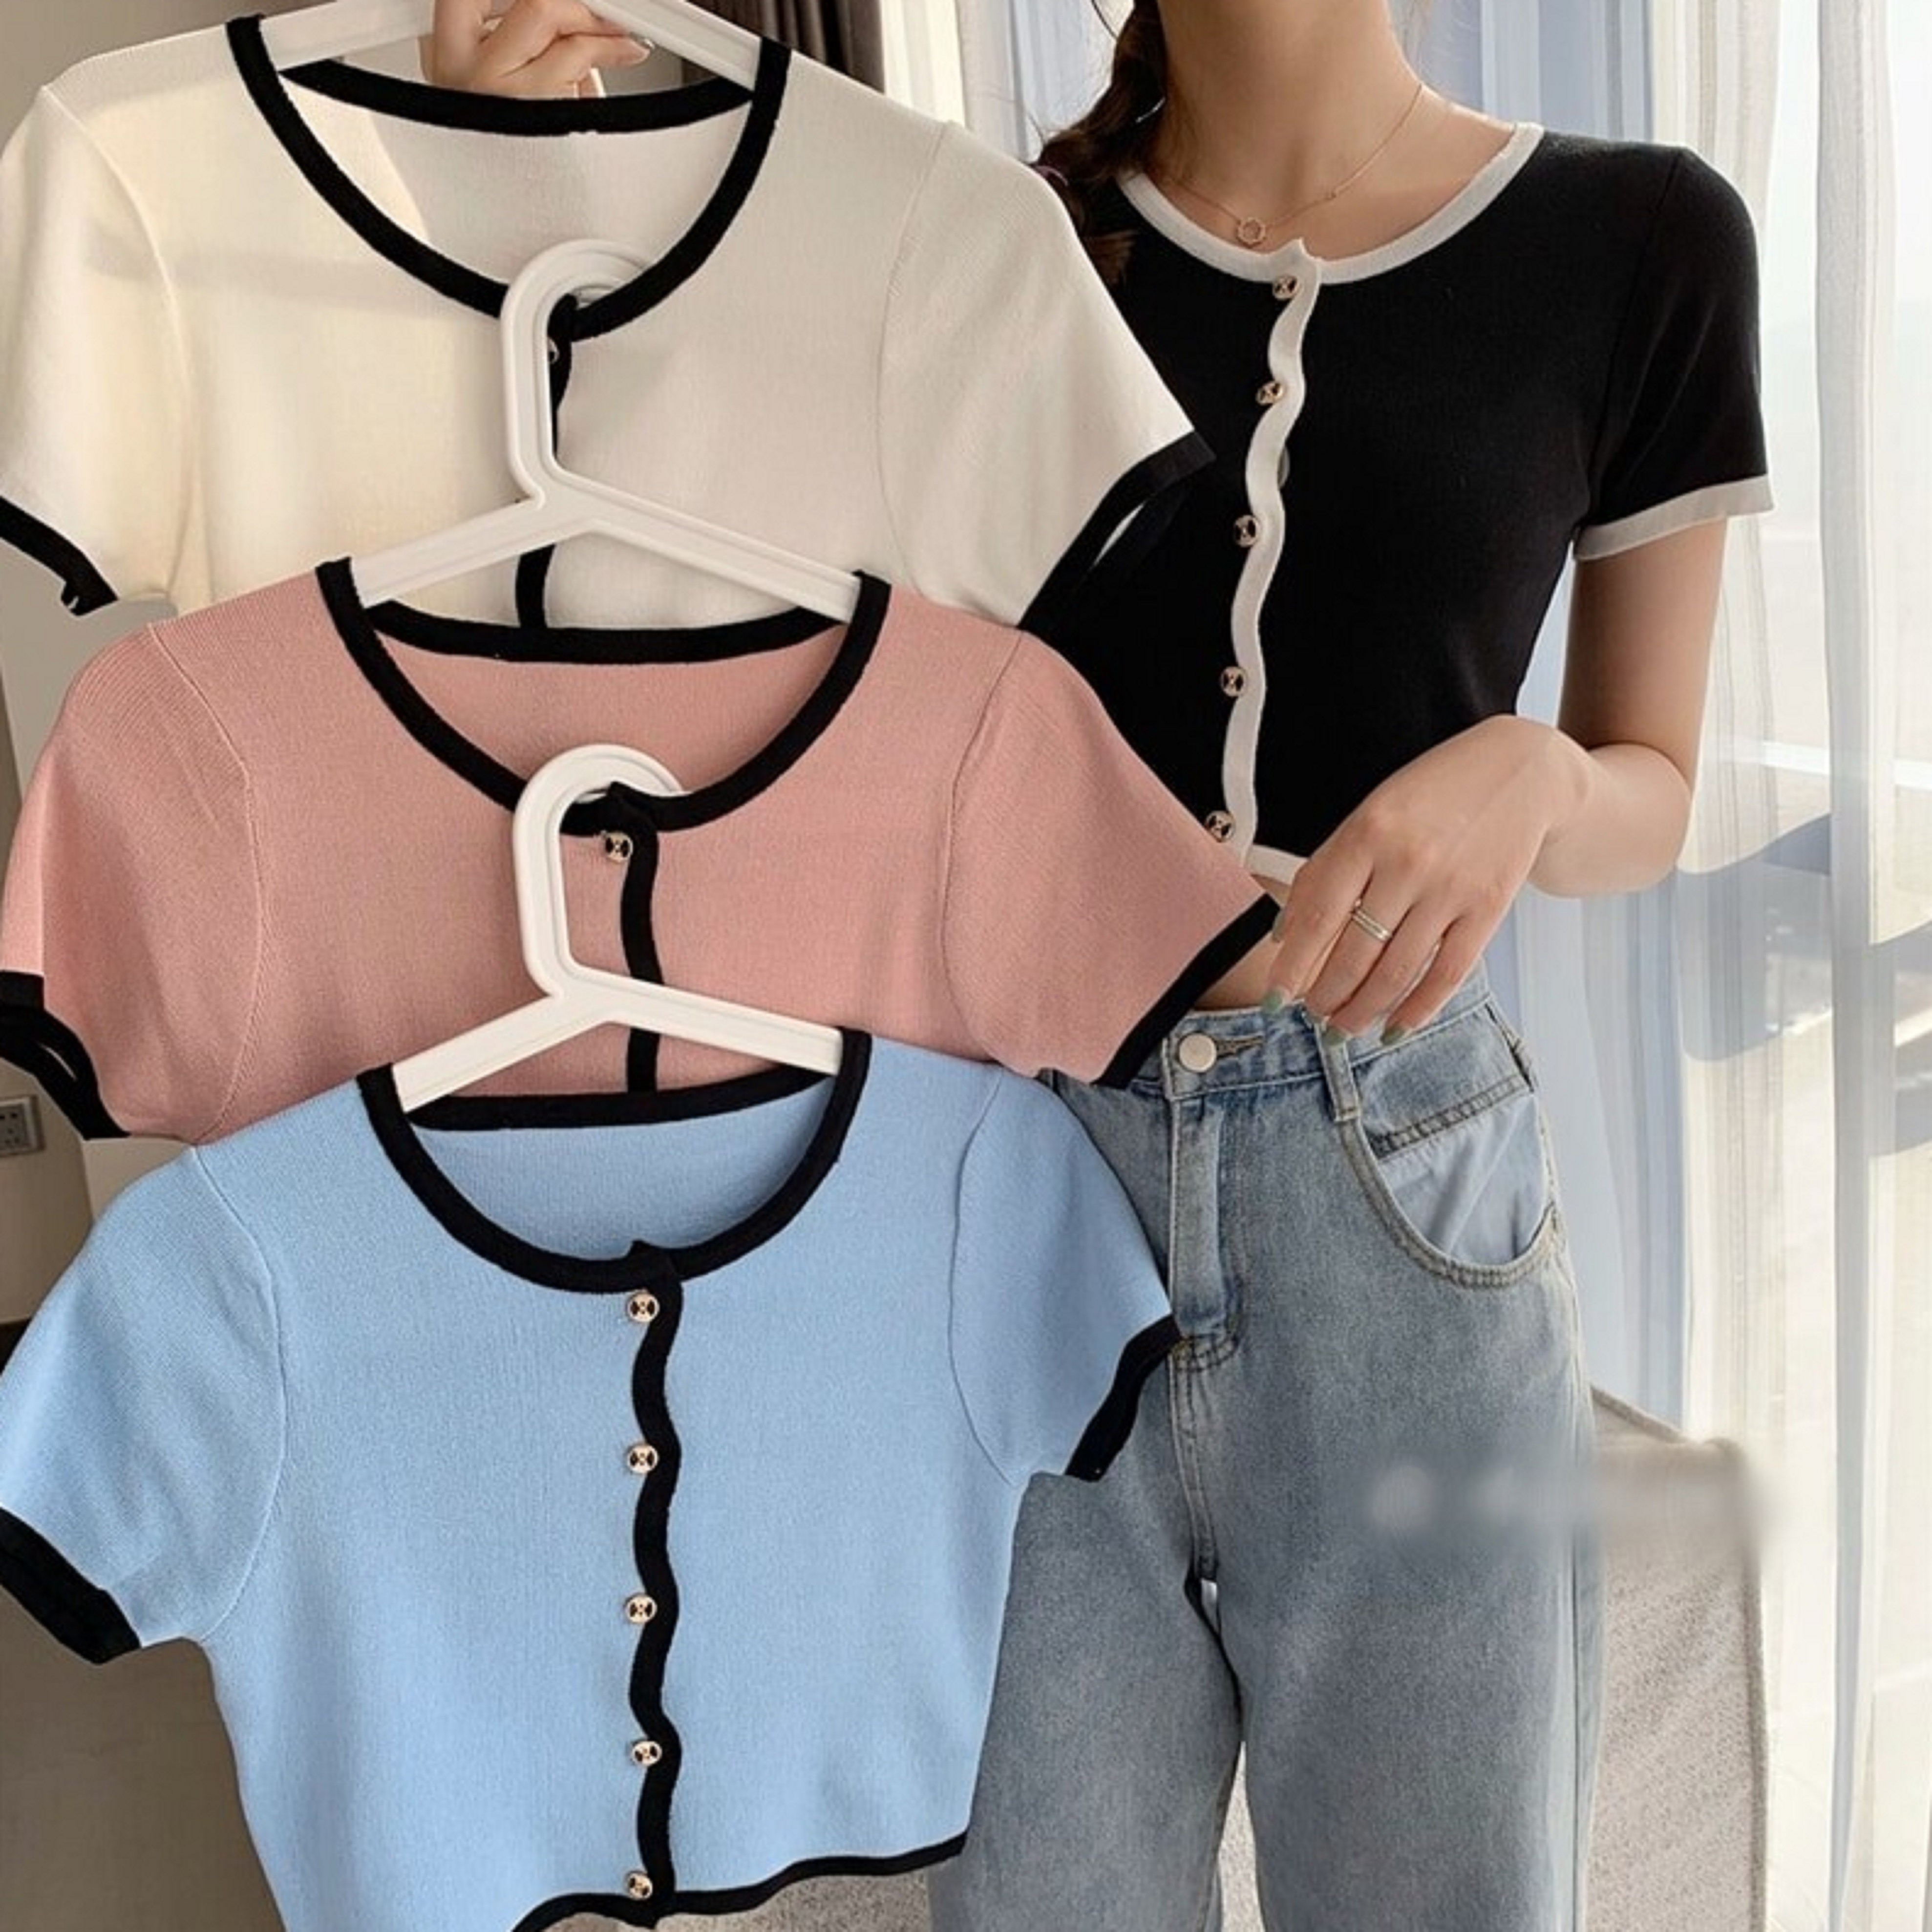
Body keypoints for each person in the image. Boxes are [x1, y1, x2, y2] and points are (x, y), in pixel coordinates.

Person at [435, 3, 1770, 1927]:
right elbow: (658, 604)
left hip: (1398, 1189)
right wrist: (511, 183)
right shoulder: (973, 250)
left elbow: (1650, 782)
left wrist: (1537, 770)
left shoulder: (1641, 238)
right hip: (1007, 1182)